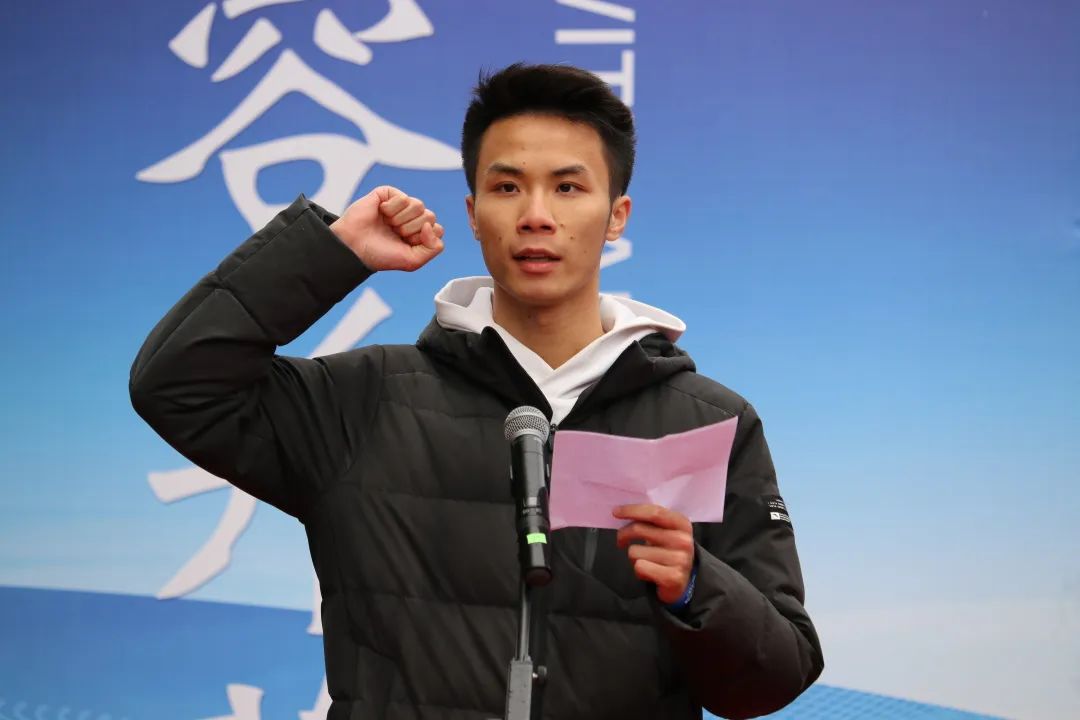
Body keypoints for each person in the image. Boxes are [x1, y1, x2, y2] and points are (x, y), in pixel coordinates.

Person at [130, 63, 823, 719]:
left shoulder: (707, 423)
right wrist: (332, 251)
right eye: (507, 187)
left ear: (617, 215)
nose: (536, 215)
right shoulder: (363, 399)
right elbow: (177, 383)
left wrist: (696, 585)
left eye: (568, 188)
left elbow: (778, 674)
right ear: (472, 210)